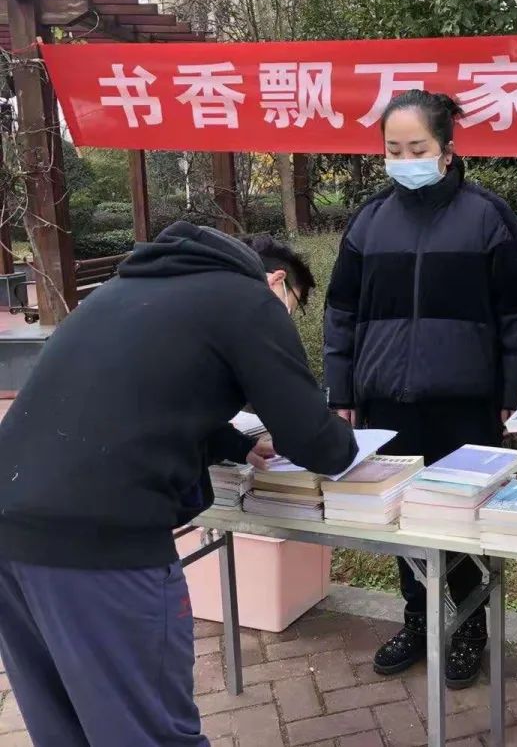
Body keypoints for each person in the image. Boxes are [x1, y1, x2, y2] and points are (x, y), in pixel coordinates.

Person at [0, 221, 358, 747]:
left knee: (65, 730)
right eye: (295, 305)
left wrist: (235, 444)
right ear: (278, 281)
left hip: (11, 528)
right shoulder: (249, 300)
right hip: (103, 546)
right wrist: (349, 442)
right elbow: (315, 441)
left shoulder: (123, 290)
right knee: (151, 735)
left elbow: (135, 399)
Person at [323, 90, 517, 688]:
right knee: (401, 517)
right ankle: (417, 619)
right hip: (385, 400)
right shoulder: (370, 219)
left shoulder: (486, 216)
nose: (404, 159)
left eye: (416, 147)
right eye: (393, 149)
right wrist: (340, 389)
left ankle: (470, 626)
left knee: (463, 520)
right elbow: (341, 312)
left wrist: (510, 391)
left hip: (464, 402)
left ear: (447, 149)